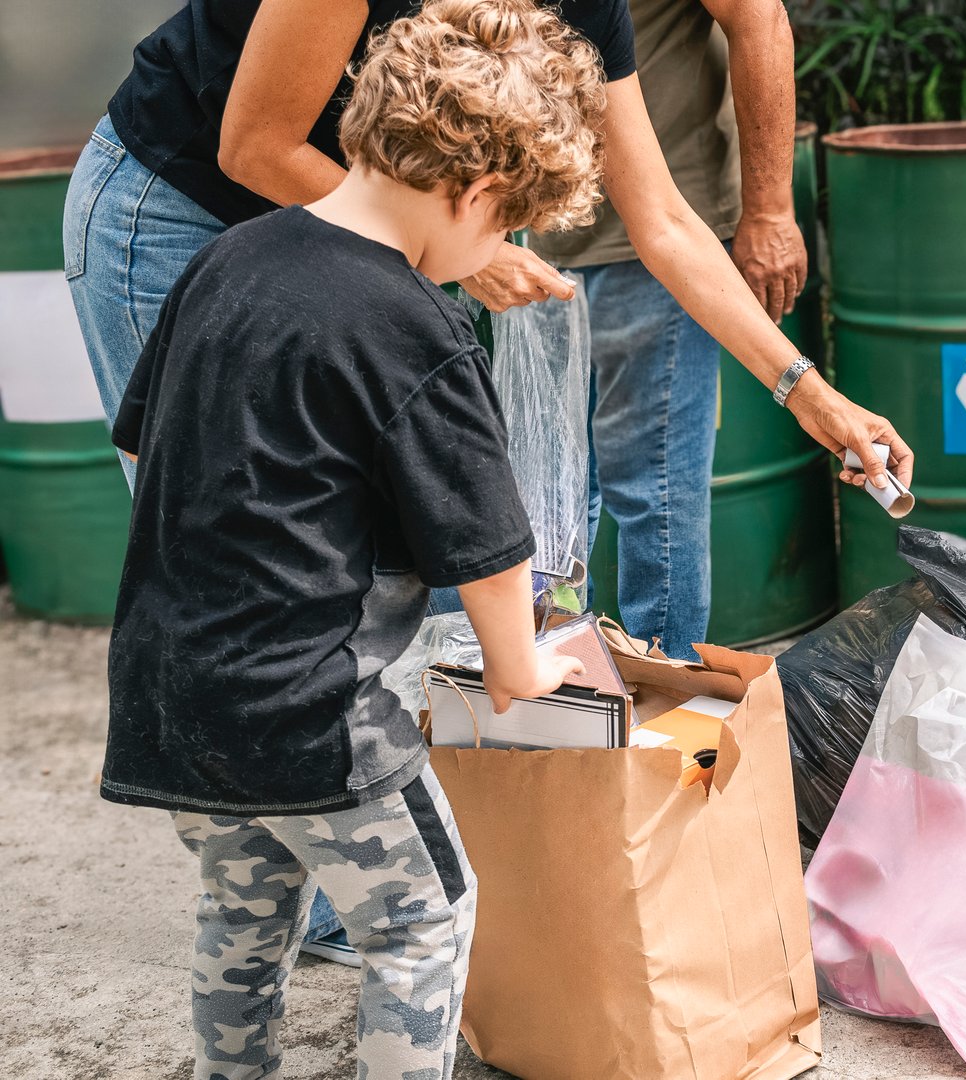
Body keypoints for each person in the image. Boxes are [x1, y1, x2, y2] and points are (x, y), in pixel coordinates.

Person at [65, 0, 912, 965]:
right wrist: (462, 250)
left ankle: (354, 888)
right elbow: (255, 142)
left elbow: (665, 219)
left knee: (367, 581)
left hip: (393, 228)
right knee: (248, 577)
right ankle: (336, 893)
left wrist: (806, 393)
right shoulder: (419, 224)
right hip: (186, 212)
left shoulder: (588, 9)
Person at [103, 4, 594, 1075]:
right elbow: (487, 536)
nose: (498, 253)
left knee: (244, 912)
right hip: (315, 722)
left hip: (170, 696)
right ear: (473, 194)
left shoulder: (226, 261)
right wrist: (519, 665)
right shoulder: (419, 327)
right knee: (423, 921)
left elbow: (146, 448)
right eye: (507, 227)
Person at [531, 0, 803, 661]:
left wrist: (768, 211)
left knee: (653, 493)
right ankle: (558, 692)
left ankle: (670, 695)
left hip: (658, 238)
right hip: (536, 237)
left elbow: (759, 16)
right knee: (549, 501)